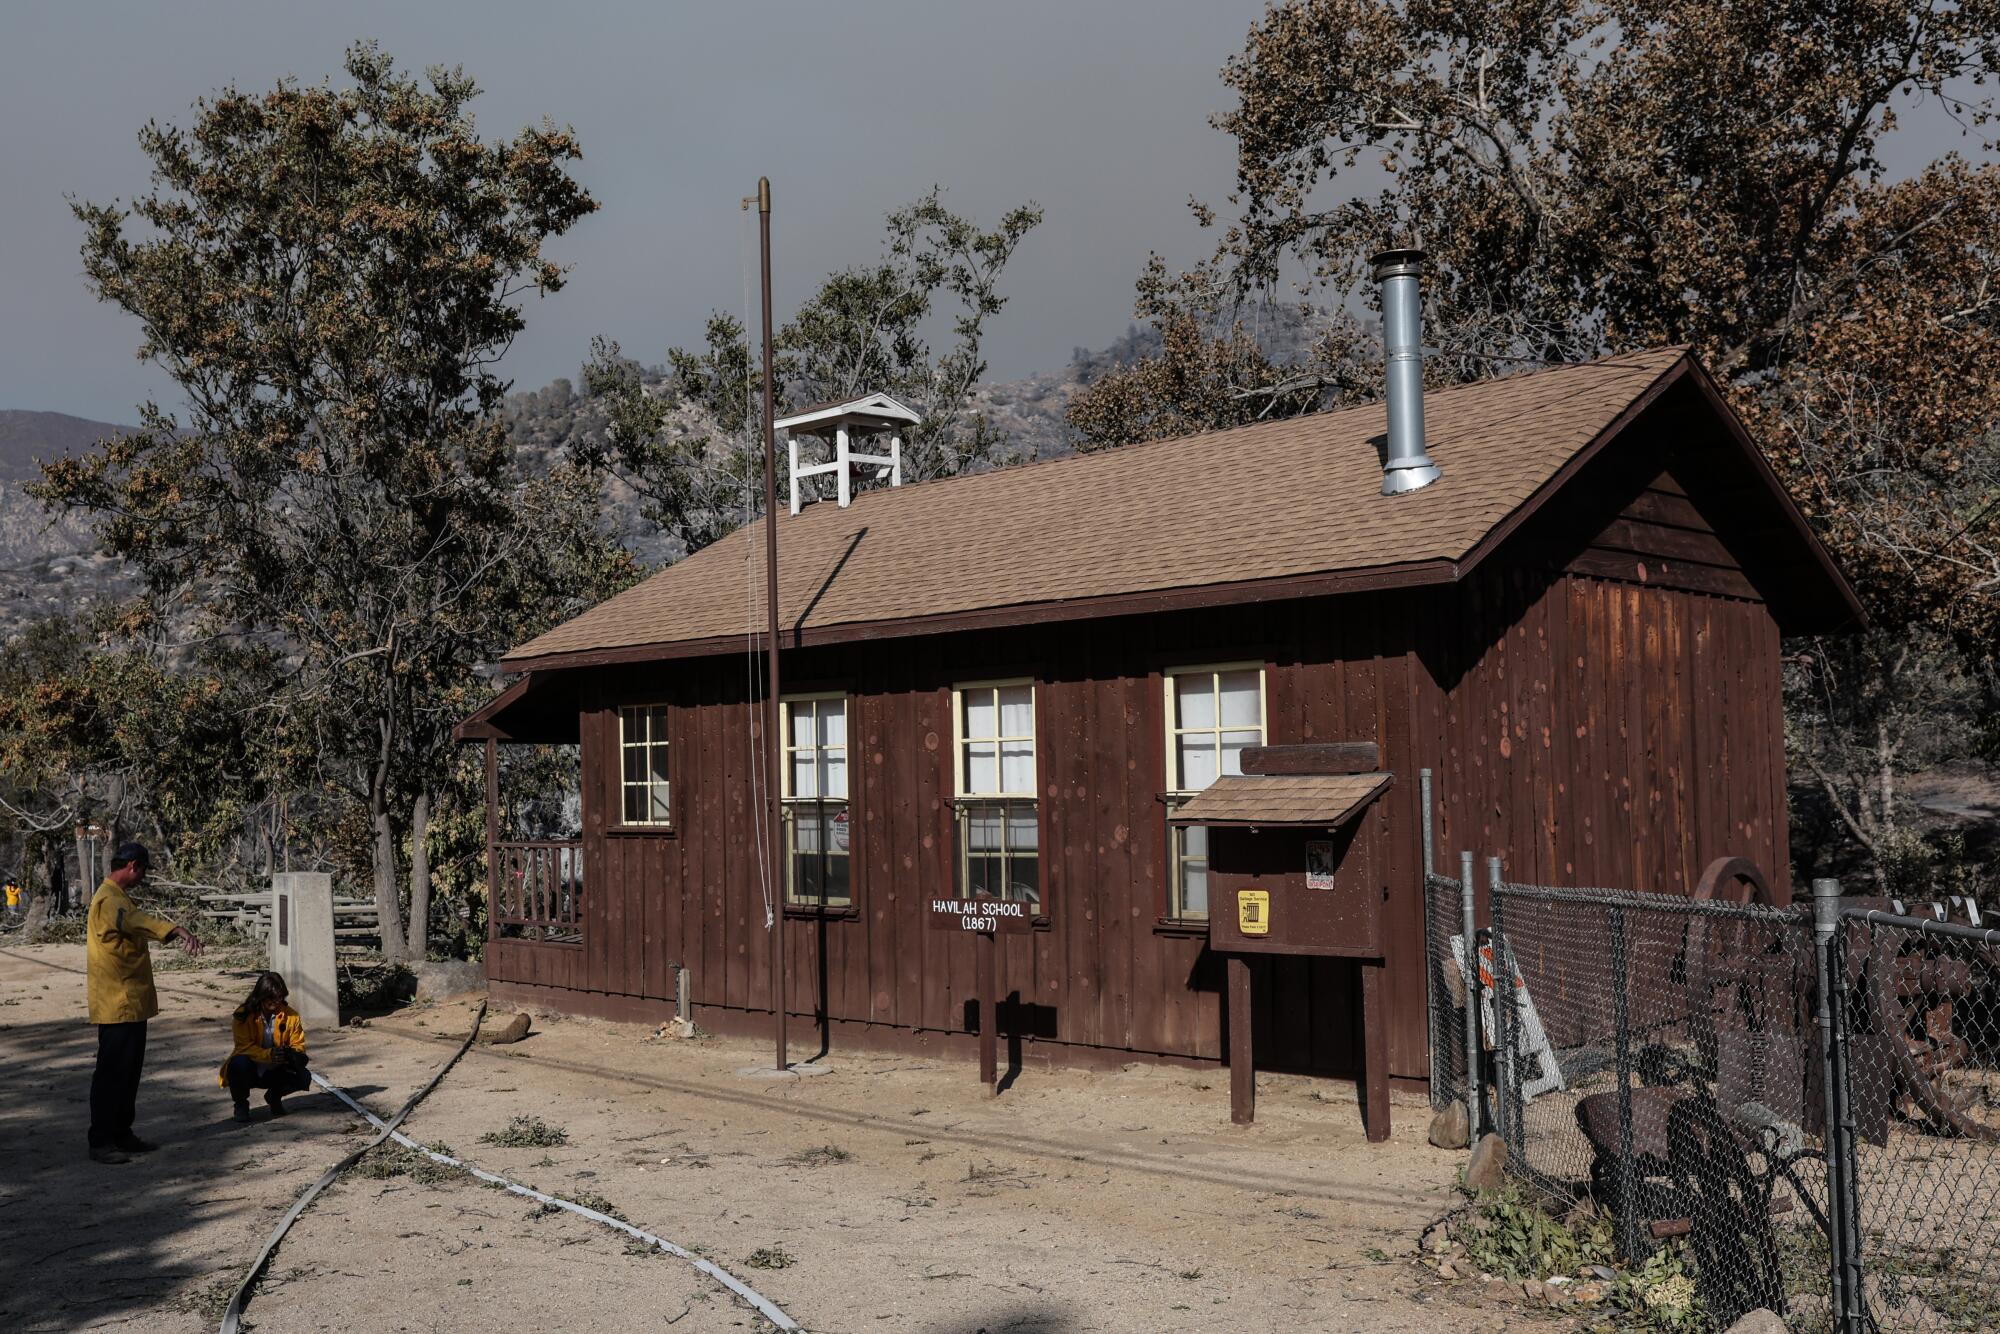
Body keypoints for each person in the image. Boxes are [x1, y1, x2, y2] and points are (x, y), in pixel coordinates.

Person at [86, 841, 201, 1164]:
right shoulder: (110, 900)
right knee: (111, 1074)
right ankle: (102, 1141)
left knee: (128, 1072)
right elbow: (136, 920)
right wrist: (175, 929)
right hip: (117, 1003)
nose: (142, 878)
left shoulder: (115, 897)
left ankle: (122, 1133)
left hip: (129, 1002)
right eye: (143, 871)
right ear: (133, 866)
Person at [220, 971, 310, 1122]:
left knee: (304, 1077)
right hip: (251, 1068)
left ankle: (274, 1097)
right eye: (271, 998)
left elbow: (298, 1044)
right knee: (238, 1064)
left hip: (277, 1068)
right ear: (261, 996)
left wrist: (291, 1055)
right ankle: (241, 1104)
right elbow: (243, 1047)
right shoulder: (243, 1015)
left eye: (280, 997)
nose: (276, 1002)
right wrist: (268, 1055)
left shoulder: (292, 1016)